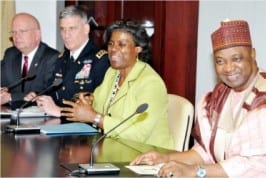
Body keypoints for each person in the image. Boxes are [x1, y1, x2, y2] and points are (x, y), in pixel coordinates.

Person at [130, 20, 266, 177]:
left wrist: (195, 172)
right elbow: (206, 152)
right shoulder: (222, 92)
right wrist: (166, 159)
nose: (228, 68)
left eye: (236, 59)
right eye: (220, 61)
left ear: (253, 55)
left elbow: (254, 169)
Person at [60, 19, 174, 150]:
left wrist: (95, 117)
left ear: (138, 49)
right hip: (113, 149)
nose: (113, 49)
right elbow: (98, 103)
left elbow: (137, 134)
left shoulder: (151, 83)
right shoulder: (113, 73)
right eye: (111, 44)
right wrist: (88, 101)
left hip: (146, 157)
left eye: (121, 44)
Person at [25, 6, 110, 119]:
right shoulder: (61, 58)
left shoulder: (100, 60)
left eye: (72, 29)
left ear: (86, 29)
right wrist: (39, 96)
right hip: (56, 124)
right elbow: (53, 90)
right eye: (62, 29)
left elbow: (98, 109)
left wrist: (59, 111)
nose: (66, 35)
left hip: (83, 130)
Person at [1, 13, 59, 107]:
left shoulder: (52, 58)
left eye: (22, 31)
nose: (16, 36)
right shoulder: (10, 54)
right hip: (10, 116)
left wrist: (11, 97)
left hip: (41, 118)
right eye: (14, 32)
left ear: (37, 34)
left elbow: (47, 94)